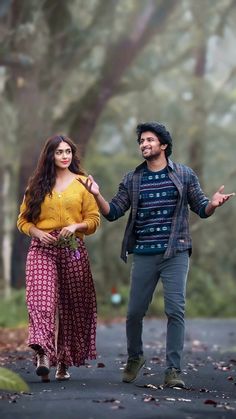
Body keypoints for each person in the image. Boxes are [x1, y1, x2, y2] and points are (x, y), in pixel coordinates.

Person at [79, 121, 235, 388]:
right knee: (134, 313)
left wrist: (212, 204)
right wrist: (96, 195)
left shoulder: (184, 175)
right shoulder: (132, 179)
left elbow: (201, 208)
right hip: (144, 253)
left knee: (175, 311)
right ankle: (135, 357)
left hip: (176, 251)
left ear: (163, 145)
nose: (144, 144)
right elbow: (113, 212)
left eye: (149, 140)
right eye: (141, 141)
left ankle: (173, 370)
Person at [17, 134, 100, 382]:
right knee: (41, 300)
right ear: (50, 156)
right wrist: (38, 233)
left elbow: (94, 220)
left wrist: (76, 227)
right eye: (59, 152)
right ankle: (43, 352)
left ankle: (63, 362)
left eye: (68, 152)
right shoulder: (37, 185)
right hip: (42, 249)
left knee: (71, 307)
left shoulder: (83, 184)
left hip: (72, 248)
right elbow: (23, 221)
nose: (65, 156)